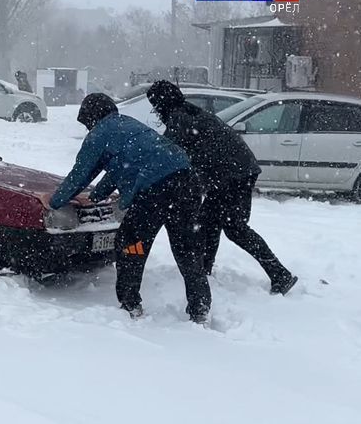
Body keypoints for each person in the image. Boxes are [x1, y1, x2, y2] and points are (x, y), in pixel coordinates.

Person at [47, 93, 211, 323]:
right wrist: (97, 195)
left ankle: (130, 304)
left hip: (155, 190)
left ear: (92, 117)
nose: (87, 128)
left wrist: (54, 201)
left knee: (131, 244)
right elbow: (122, 165)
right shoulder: (128, 124)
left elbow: (80, 175)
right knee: (186, 248)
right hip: (187, 181)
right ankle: (200, 306)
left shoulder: (99, 134)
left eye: (86, 122)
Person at [146, 80, 298, 295]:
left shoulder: (179, 118)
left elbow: (166, 153)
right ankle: (205, 269)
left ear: (161, 103)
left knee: (235, 228)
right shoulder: (187, 111)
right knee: (208, 221)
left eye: (154, 105)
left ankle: (280, 274)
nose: (155, 110)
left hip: (233, 175)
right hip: (233, 172)